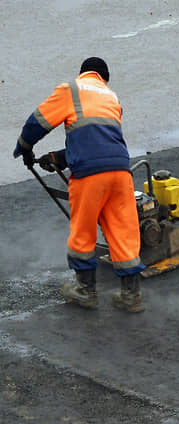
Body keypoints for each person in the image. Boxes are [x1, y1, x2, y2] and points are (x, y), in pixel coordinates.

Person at [13, 57, 146, 311]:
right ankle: (132, 296)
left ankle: (85, 290)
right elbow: (100, 141)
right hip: (120, 172)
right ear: (103, 78)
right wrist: (60, 158)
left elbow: (38, 122)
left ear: (83, 73)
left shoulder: (72, 89)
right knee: (123, 232)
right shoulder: (111, 97)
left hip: (89, 177)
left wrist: (24, 148)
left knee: (83, 231)